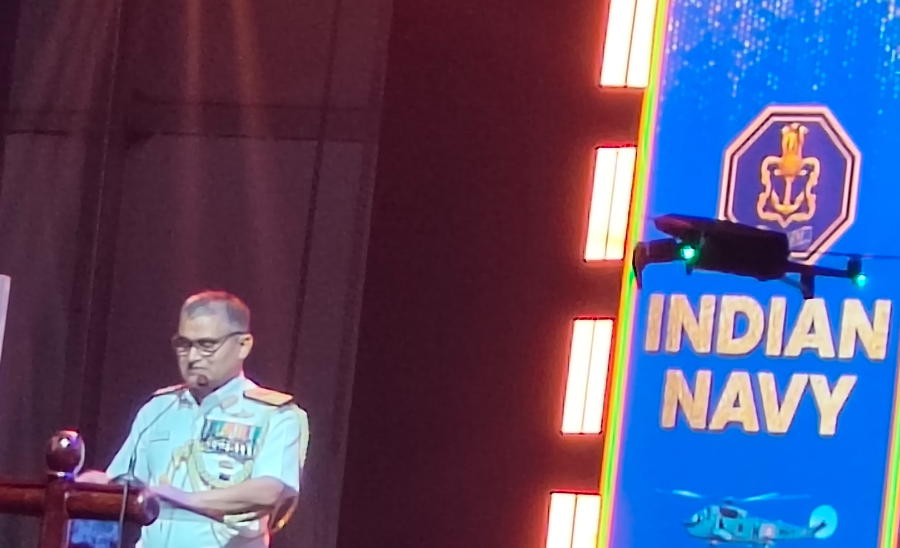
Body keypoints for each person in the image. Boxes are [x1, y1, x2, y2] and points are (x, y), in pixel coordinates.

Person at [78, 291, 310, 548]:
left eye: (206, 345)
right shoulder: (159, 409)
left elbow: (271, 490)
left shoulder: (274, 414)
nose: (192, 357)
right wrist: (93, 486)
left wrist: (185, 499)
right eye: (184, 345)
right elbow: (125, 483)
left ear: (243, 345)